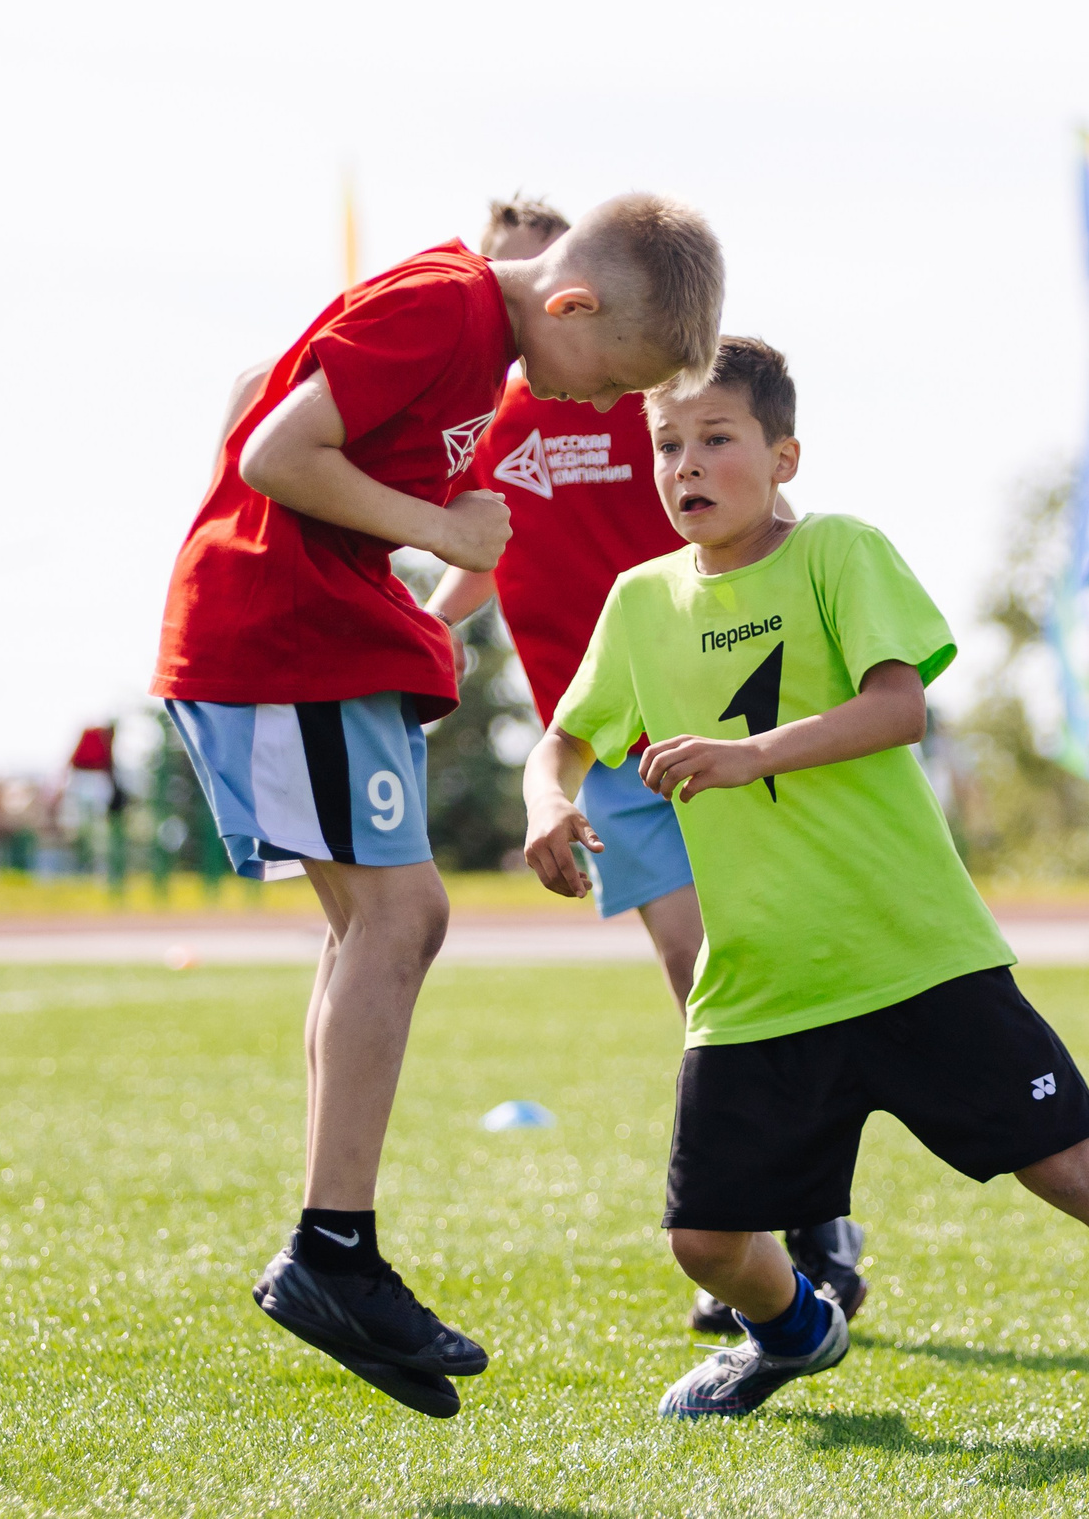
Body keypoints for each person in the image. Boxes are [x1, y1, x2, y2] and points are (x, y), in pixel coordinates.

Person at [520, 341, 1089, 1439]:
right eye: (667, 445)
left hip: (912, 955)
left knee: (1073, 1172)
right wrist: (543, 805)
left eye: (716, 439)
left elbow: (898, 708)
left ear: (782, 454)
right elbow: (561, 746)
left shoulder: (838, 553)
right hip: (760, 983)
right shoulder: (637, 602)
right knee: (705, 1244)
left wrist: (747, 755)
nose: (687, 465)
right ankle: (796, 1332)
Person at [152, 194, 727, 1419]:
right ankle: (330, 1248)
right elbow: (273, 453)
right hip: (281, 633)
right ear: (568, 302)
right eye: (609, 378)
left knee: (382, 923)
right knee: (400, 917)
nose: (600, 409)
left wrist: (414, 581)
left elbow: (275, 378)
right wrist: (441, 529)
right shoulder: (448, 306)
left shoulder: (474, 328)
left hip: (327, 636)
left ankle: (335, 1247)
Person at [422, 198, 866, 1336]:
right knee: (699, 974)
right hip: (614, 747)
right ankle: (777, 1234)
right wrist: (426, 630)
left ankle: (807, 1220)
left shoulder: (633, 396)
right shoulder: (487, 419)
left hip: (715, 727)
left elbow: (742, 508)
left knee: (751, 969)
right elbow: (485, 550)